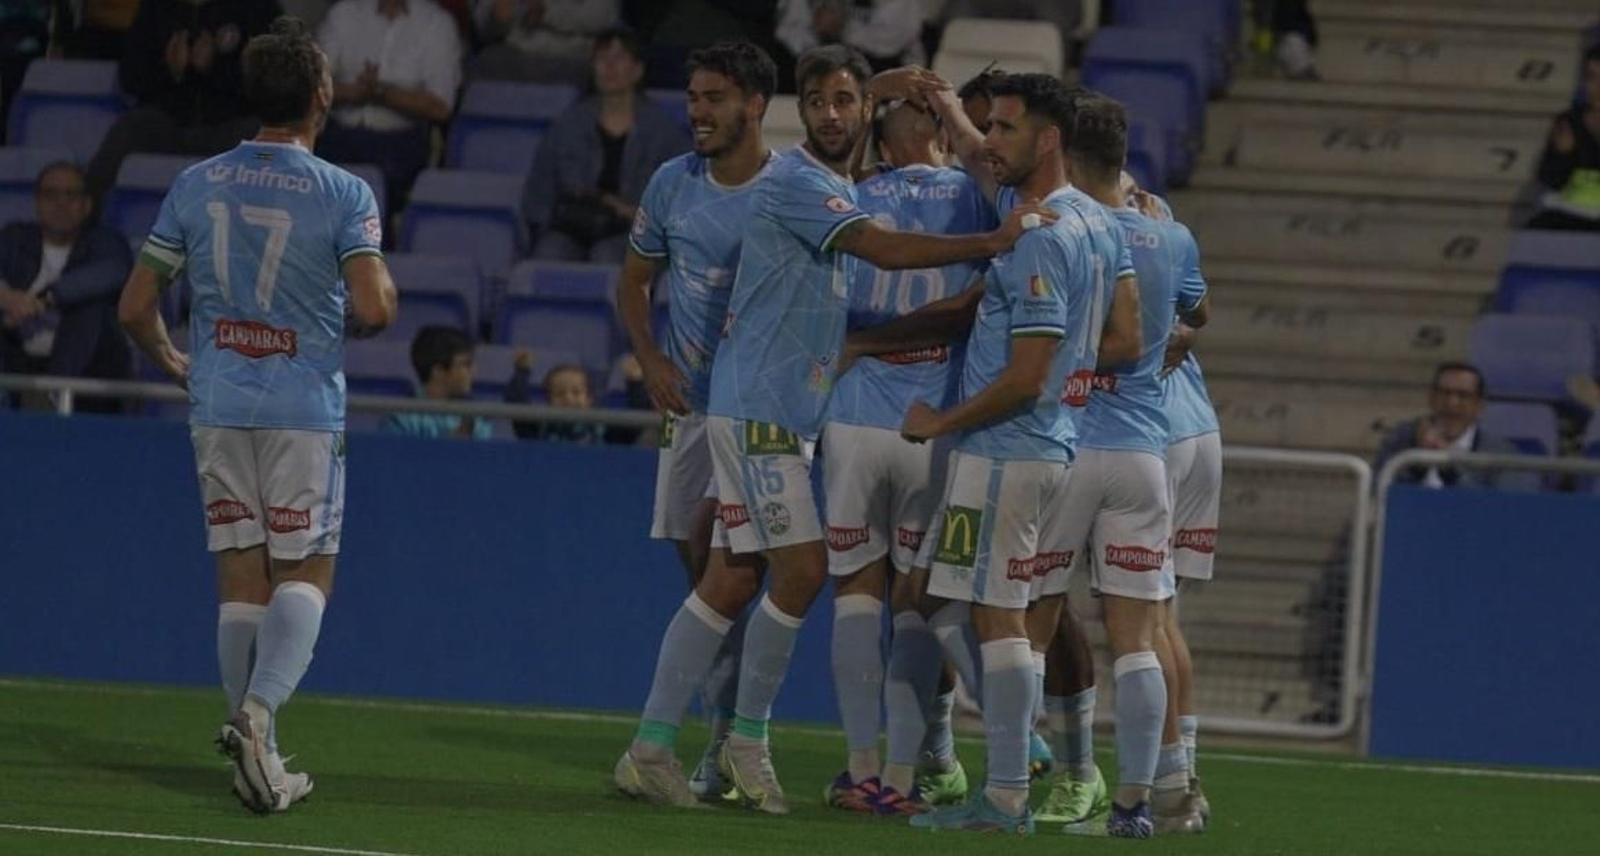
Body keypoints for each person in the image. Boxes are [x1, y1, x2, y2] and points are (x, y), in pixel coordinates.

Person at [613, 45, 1047, 816]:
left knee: (731, 579)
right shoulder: (801, 183)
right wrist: (991, 242)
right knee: (806, 571)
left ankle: (651, 747)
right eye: (819, 102)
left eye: (847, 101)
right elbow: (879, 246)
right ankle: (747, 742)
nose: (834, 115)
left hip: (783, 411)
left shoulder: (824, 178)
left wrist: (894, 91)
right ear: (795, 111)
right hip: (760, 413)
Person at [116, 17, 397, 814]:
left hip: (219, 405)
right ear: (322, 95)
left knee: (240, 576)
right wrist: (381, 292)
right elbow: (374, 308)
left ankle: (259, 757)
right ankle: (259, 714)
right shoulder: (344, 192)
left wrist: (175, 360)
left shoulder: (196, 183)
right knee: (306, 571)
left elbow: (136, 306)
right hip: (300, 408)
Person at [609, 41, 777, 808]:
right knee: (706, 586)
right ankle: (716, 738)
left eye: (714, 98)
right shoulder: (672, 183)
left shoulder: (790, 188)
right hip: (689, 411)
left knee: (736, 579)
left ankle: (722, 743)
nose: (699, 113)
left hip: (761, 416)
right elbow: (634, 283)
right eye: (693, 99)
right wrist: (649, 359)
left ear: (755, 104)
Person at [1035, 118, 1213, 835]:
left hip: (1073, 440)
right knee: (1138, 631)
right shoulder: (1170, 233)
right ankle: (1141, 805)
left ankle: (1015, 788)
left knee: (1031, 616)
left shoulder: (1069, 227)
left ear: (1066, 154)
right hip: (1148, 449)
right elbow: (1196, 313)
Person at [819, 98, 994, 815]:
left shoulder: (854, 195)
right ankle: (900, 775)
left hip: (855, 414)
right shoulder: (974, 194)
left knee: (856, 592)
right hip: (935, 419)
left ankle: (860, 770)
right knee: (917, 599)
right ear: (941, 137)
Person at [85, 0, 281, 207]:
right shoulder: (157, 7)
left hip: (231, 125)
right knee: (129, 128)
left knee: (267, 141)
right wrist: (169, 70)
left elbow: (272, 83)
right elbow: (130, 78)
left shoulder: (258, 7)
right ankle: (82, 222)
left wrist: (215, 69)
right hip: (169, 123)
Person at [522, 27, 690, 264]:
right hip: (573, 227)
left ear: (637, 70)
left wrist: (624, 211)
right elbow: (538, 195)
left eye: (619, 58)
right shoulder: (568, 123)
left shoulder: (663, 132)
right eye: (602, 59)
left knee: (607, 256)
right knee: (549, 253)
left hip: (633, 233)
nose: (609, 66)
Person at [0, 162, 133, 411]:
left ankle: (52, 396)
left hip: (88, 370)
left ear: (86, 206)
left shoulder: (107, 242)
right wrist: (7, 298)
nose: (61, 204)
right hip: (17, 355)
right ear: (37, 203)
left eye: (71, 195)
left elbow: (112, 272)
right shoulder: (14, 237)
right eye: (50, 195)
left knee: (91, 310)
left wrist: (43, 300)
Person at [315, 0, 461, 214]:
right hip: (338, 133)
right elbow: (309, 86)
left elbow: (441, 106)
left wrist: (384, 94)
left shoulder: (437, 24)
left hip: (398, 142)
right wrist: (354, 93)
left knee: (372, 198)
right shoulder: (344, 13)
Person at [1373, 362, 1521, 488]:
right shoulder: (1401, 437)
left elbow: (1499, 509)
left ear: (1479, 406)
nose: (1451, 403)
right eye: (1444, 393)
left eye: (1463, 395)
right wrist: (1418, 465)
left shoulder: (1500, 452)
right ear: (1431, 399)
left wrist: (1449, 472)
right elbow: (1379, 493)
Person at [1527, 45, 1600, 231]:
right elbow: (1551, 179)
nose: (1597, 87)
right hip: (1574, 215)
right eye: (1592, 77)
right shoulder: (1569, 121)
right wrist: (1563, 154)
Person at [380, 325, 493, 440]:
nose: (474, 372)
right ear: (438, 371)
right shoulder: (400, 420)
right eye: (466, 365)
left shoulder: (477, 418)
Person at [469, 0, 621, 85]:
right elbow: (483, 27)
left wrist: (546, 12)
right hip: (513, 52)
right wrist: (498, 21)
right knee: (482, 65)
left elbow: (603, 16)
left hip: (570, 56)